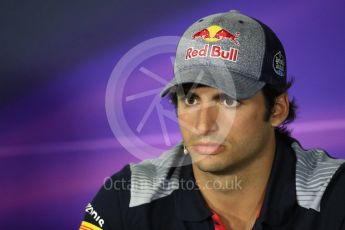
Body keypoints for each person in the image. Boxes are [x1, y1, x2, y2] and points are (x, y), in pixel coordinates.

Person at [79, 10, 345, 230]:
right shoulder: (128, 197)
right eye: (191, 99)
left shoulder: (333, 193)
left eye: (228, 100)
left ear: (277, 109)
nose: (203, 126)